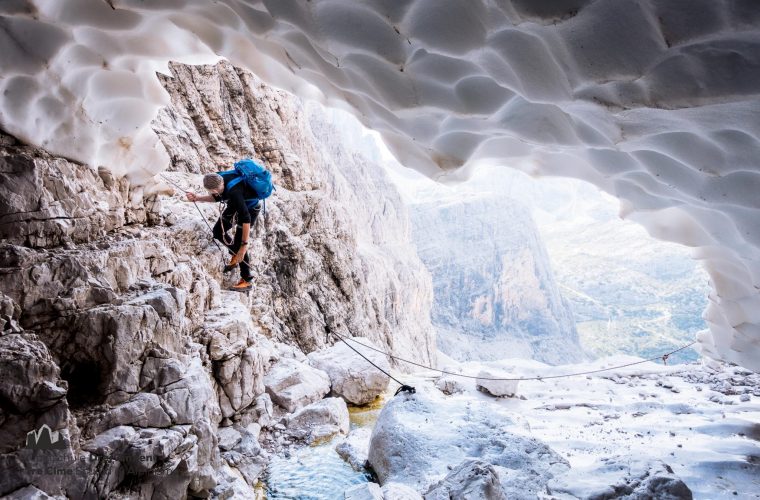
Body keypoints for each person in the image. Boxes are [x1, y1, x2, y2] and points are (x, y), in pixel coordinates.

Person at [186, 172, 261, 292]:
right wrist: (198, 198)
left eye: (213, 191)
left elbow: (246, 218)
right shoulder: (220, 179)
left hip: (250, 209)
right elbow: (217, 197)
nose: (213, 193)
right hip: (235, 206)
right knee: (218, 231)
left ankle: (247, 280)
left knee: (238, 245)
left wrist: (243, 247)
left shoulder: (234, 192)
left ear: (214, 189)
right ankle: (235, 254)